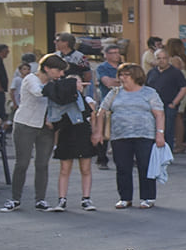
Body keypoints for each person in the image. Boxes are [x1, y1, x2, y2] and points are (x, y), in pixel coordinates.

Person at [100, 63, 167, 208]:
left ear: (136, 76)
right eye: (121, 75)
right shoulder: (114, 93)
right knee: (123, 167)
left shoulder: (149, 93)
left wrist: (160, 134)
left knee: (145, 166)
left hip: (145, 134)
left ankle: (148, 197)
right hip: (120, 135)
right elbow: (102, 111)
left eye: (126, 75)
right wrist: (98, 131)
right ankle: (125, 198)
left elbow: (159, 114)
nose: (123, 78)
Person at [43, 55, 97, 211]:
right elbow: (52, 119)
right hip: (67, 133)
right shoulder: (59, 99)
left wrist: (96, 133)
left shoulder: (86, 100)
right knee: (64, 168)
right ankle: (62, 199)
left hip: (82, 132)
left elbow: (92, 115)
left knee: (86, 168)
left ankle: (86, 198)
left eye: (78, 81)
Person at [5, 54, 54, 211]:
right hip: (25, 123)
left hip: (45, 126)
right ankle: (15, 199)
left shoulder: (55, 81)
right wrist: (60, 87)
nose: (61, 74)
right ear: (47, 69)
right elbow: (38, 92)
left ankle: (40, 199)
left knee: (42, 164)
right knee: (22, 163)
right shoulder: (31, 79)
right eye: (58, 70)